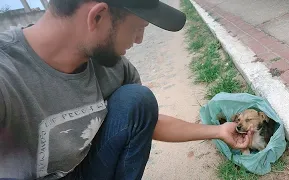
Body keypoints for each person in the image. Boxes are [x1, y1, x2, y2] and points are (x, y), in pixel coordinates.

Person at [0, 0, 253, 179]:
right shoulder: (8, 74)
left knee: (137, 100)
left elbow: (145, 122)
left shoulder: (114, 67)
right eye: (137, 28)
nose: (139, 40)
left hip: (84, 170)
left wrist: (218, 130)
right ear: (97, 16)